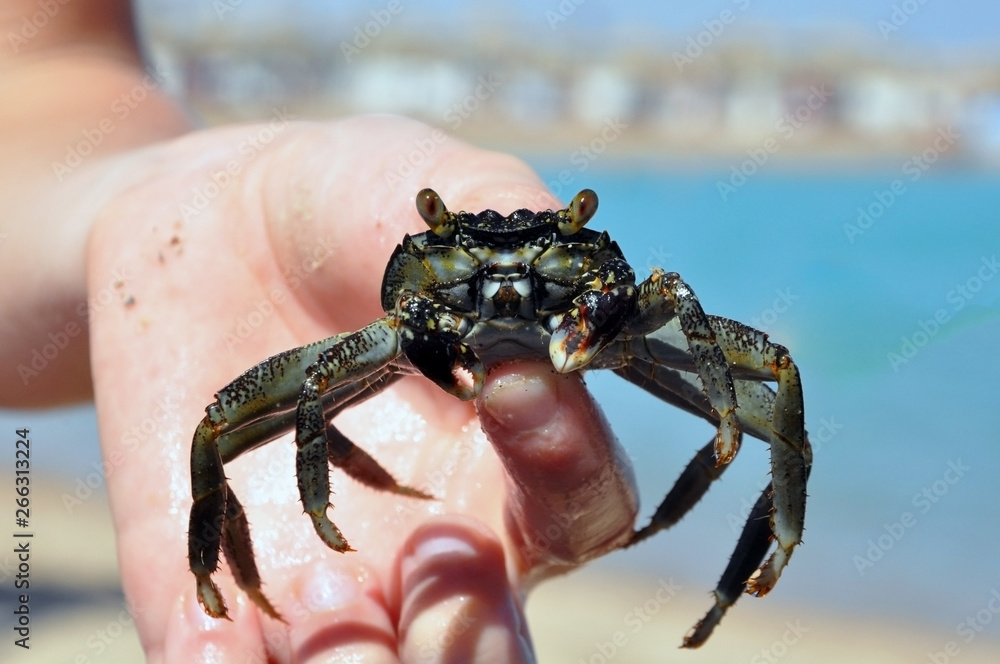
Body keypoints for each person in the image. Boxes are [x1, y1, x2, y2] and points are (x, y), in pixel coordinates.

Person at [0, 2, 639, 661]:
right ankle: (233, 569)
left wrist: (147, 204)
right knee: (227, 424)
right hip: (403, 337)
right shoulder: (392, 326)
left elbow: (48, 76)